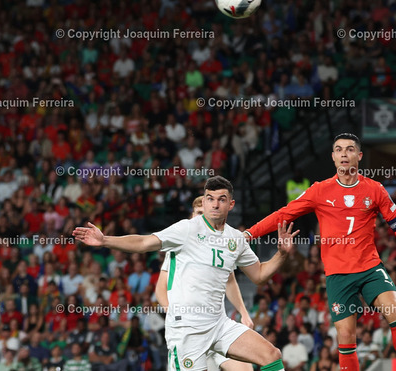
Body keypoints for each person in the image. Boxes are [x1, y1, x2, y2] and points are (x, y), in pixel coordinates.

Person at [73, 176, 297, 371]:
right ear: (204, 201)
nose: (215, 204)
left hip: (219, 323)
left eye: (221, 199)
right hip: (187, 329)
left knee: (271, 355)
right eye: (210, 198)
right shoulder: (187, 229)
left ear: (231, 204)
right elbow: (144, 242)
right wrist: (105, 240)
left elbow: (259, 275)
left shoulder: (236, 239)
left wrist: (281, 255)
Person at [244, 133, 396, 371]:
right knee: (345, 337)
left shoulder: (375, 189)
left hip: (370, 268)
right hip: (338, 275)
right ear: (333, 156)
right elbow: (284, 214)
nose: (344, 154)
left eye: (349, 149)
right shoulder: (319, 190)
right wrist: (250, 233)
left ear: (359, 156)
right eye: (339, 149)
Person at [155, 196, 254, 371]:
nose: (203, 217)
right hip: (188, 330)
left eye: (205, 213)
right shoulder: (179, 245)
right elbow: (161, 289)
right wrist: (175, 315)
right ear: (192, 216)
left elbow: (230, 282)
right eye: (199, 213)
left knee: (245, 368)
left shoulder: (220, 246)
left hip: (216, 326)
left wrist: (244, 313)